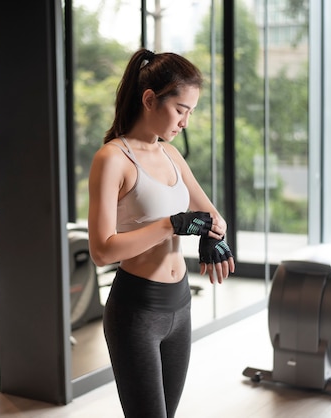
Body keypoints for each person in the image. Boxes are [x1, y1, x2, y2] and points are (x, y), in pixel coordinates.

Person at [87, 48, 236, 418]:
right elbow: (102, 251)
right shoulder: (113, 159)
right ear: (150, 99)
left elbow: (212, 214)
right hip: (136, 311)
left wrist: (211, 237)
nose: (185, 122)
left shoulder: (171, 155)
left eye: (191, 112)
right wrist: (171, 224)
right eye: (181, 109)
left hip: (180, 306)